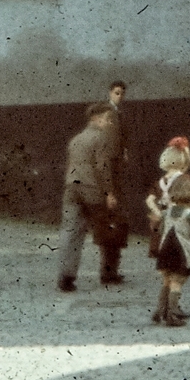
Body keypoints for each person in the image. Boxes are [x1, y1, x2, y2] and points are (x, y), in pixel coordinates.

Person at [57, 104, 120, 292]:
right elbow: (102, 168)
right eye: (107, 119)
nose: (109, 123)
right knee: (107, 228)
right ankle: (108, 272)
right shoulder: (100, 138)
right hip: (92, 189)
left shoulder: (75, 139)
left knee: (70, 231)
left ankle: (66, 276)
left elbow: (69, 165)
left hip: (71, 188)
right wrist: (109, 192)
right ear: (96, 118)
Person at [148, 169, 190, 327]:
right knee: (177, 281)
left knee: (166, 280)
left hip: (165, 249)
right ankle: (172, 314)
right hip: (181, 251)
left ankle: (160, 310)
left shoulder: (166, 213)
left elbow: (161, 229)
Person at [98, 80, 131, 283]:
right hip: (110, 177)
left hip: (116, 174)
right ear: (110, 92)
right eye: (116, 93)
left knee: (116, 226)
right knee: (110, 225)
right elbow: (109, 147)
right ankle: (107, 271)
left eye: (122, 93)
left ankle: (112, 269)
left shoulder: (119, 113)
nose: (119, 96)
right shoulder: (108, 114)